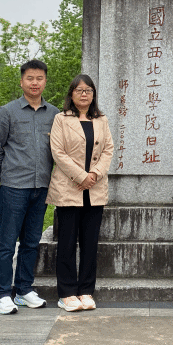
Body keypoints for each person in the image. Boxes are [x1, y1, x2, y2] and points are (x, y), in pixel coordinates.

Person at [0, 59, 59, 315]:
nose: (34, 83)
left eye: (39, 78)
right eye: (30, 78)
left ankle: (23, 290)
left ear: (45, 82)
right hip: (14, 186)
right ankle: (1, 294)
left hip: (41, 186)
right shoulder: (7, 112)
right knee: (7, 242)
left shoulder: (54, 114)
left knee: (31, 242)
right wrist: (2, 175)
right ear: (21, 82)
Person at [47, 74, 114, 312]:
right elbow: (58, 152)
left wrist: (94, 174)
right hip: (69, 188)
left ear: (93, 94)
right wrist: (81, 176)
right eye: (79, 90)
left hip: (94, 189)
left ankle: (86, 290)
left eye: (88, 90)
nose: (84, 94)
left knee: (90, 244)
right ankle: (66, 293)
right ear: (71, 94)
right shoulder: (61, 119)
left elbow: (108, 149)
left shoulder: (101, 120)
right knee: (66, 244)